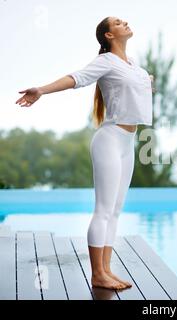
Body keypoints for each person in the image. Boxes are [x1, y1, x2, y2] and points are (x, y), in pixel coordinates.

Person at [15, 16, 155, 290]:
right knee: (103, 210)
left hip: (128, 142)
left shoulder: (133, 66)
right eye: (117, 22)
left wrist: (148, 80)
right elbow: (75, 79)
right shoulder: (105, 62)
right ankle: (97, 274)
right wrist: (41, 90)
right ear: (108, 36)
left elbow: (138, 89)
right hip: (110, 140)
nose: (124, 22)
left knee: (114, 211)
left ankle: (106, 270)